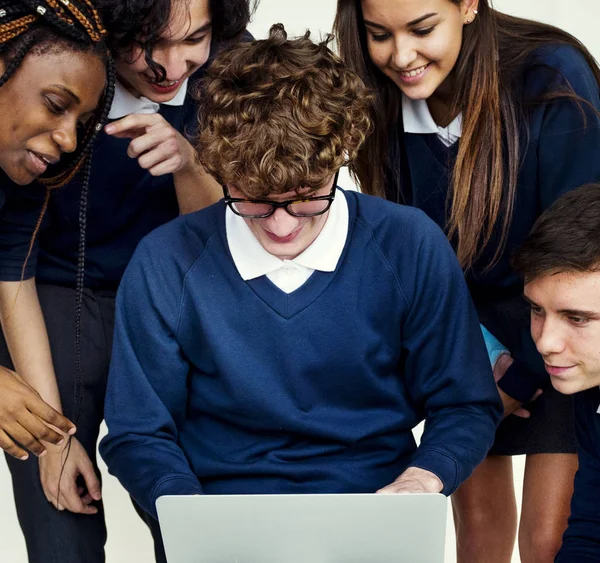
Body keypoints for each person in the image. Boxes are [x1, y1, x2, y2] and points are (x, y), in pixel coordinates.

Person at [100, 24, 502, 561]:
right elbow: (137, 432)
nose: (283, 227)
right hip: (217, 516)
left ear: (340, 160)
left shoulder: (409, 245)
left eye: (308, 197)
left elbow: (465, 403)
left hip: (377, 510)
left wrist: (422, 482)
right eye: (256, 201)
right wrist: (187, 509)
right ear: (220, 170)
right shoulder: (165, 262)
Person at [334, 1, 600, 561]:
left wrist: (524, 376)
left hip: (557, 324)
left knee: (548, 541)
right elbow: (410, 265)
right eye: (378, 35)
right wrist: (472, 370)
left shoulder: (552, 78)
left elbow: (580, 266)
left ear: (468, 6)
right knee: (477, 541)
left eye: (423, 29)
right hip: (465, 332)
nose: (401, 55)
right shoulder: (378, 98)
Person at [0, 0, 253, 561]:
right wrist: (52, 440)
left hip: (180, 295)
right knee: (60, 508)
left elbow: (232, 244)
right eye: (148, 43)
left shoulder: (230, 78)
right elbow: (14, 268)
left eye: (195, 39)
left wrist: (190, 164)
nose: (170, 65)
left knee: (196, 506)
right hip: (61, 293)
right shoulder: (56, 67)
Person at [0, 0, 114, 459]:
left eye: (82, 122)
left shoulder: (23, 180)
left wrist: (56, 445)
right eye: (55, 105)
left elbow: (11, 282)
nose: (69, 140)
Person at [511, 183, 600, 562]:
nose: (546, 342)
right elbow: (589, 534)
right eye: (536, 310)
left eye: (576, 318)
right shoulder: (590, 396)